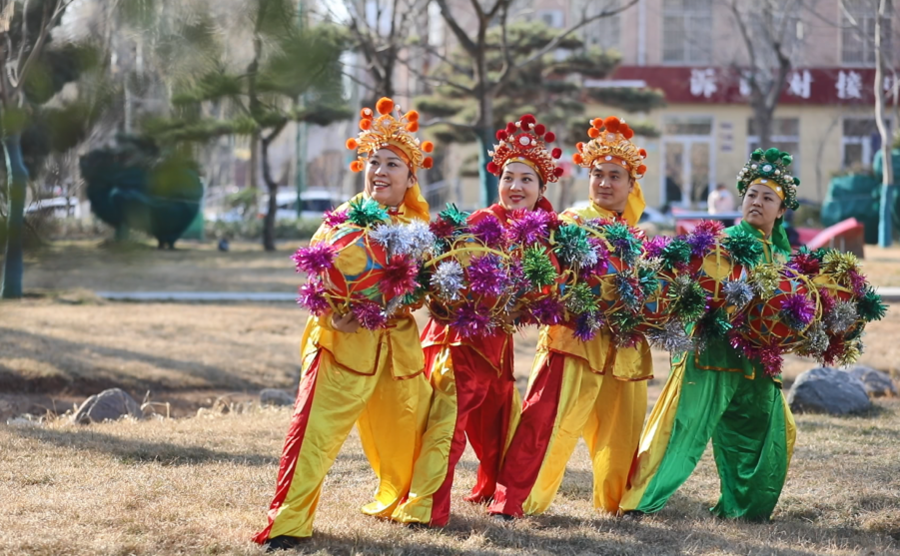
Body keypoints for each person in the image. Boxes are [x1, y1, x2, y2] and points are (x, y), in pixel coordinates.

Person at [253, 98, 435, 551]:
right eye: (374, 161)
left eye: (392, 164)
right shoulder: (342, 223)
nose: (380, 171)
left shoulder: (420, 226)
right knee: (312, 437)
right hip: (342, 347)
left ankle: (407, 502)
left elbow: (428, 287)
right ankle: (288, 523)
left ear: (411, 177)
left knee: (412, 430)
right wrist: (334, 316)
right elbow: (318, 280)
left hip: (397, 352)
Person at [390, 114, 564, 528]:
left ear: (541, 189)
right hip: (457, 342)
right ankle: (424, 506)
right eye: (508, 177)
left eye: (526, 179)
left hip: (496, 349)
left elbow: (546, 293)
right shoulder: (477, 225)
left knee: (499, 418)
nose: (515, 187)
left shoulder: (548, 238)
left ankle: (492, 488)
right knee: (447, 422)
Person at [619, 148, 800, 522]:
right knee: (680, 432)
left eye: (768, 198)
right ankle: (640, 501)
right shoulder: (723, 243)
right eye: (752, 194)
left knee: (772, 435)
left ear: (781, 211)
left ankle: (745, 510)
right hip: (710, 356)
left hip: (757, 362)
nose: (757, 202)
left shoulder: (784, 257)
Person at [488, 116, 653, 520]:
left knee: (621, 435)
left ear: (632, 185)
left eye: (615, 176)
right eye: (597, 174)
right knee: (545, 425)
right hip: (571, 342)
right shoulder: (570, 224)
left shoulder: (639, 238)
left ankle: (618, 503)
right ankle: (514, 502)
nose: (605, 183)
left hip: (624, 349)